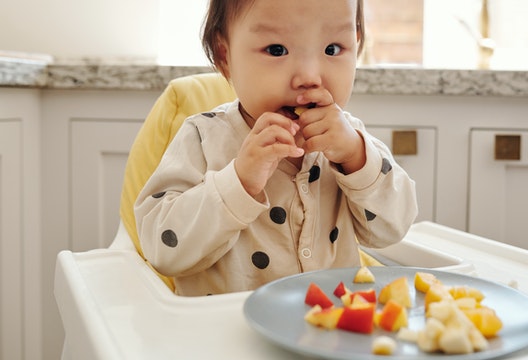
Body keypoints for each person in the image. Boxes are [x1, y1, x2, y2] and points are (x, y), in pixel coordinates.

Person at [134, 0, 418, 296]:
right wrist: (239, 183)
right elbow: (162, 250)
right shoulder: (203, 138)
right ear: (225, 55)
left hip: (331, 331)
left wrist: (357, 160)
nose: (310, 77)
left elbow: (394, 228)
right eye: (277, 50)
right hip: (225, 333)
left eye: (332, 49)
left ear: (356, 44)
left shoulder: (352, 142)